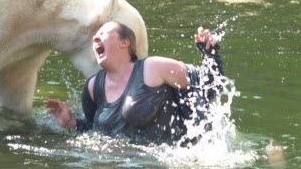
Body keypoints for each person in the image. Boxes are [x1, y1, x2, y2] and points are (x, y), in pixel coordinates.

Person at [44, 21, 225, 145]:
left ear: (125, 42)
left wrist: (210, 53)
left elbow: (208, 88)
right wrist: (72, 123)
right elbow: (93, 131)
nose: (95, 39)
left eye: (103, 33)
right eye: (94, 37)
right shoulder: (93, 87)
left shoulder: (154, 68)